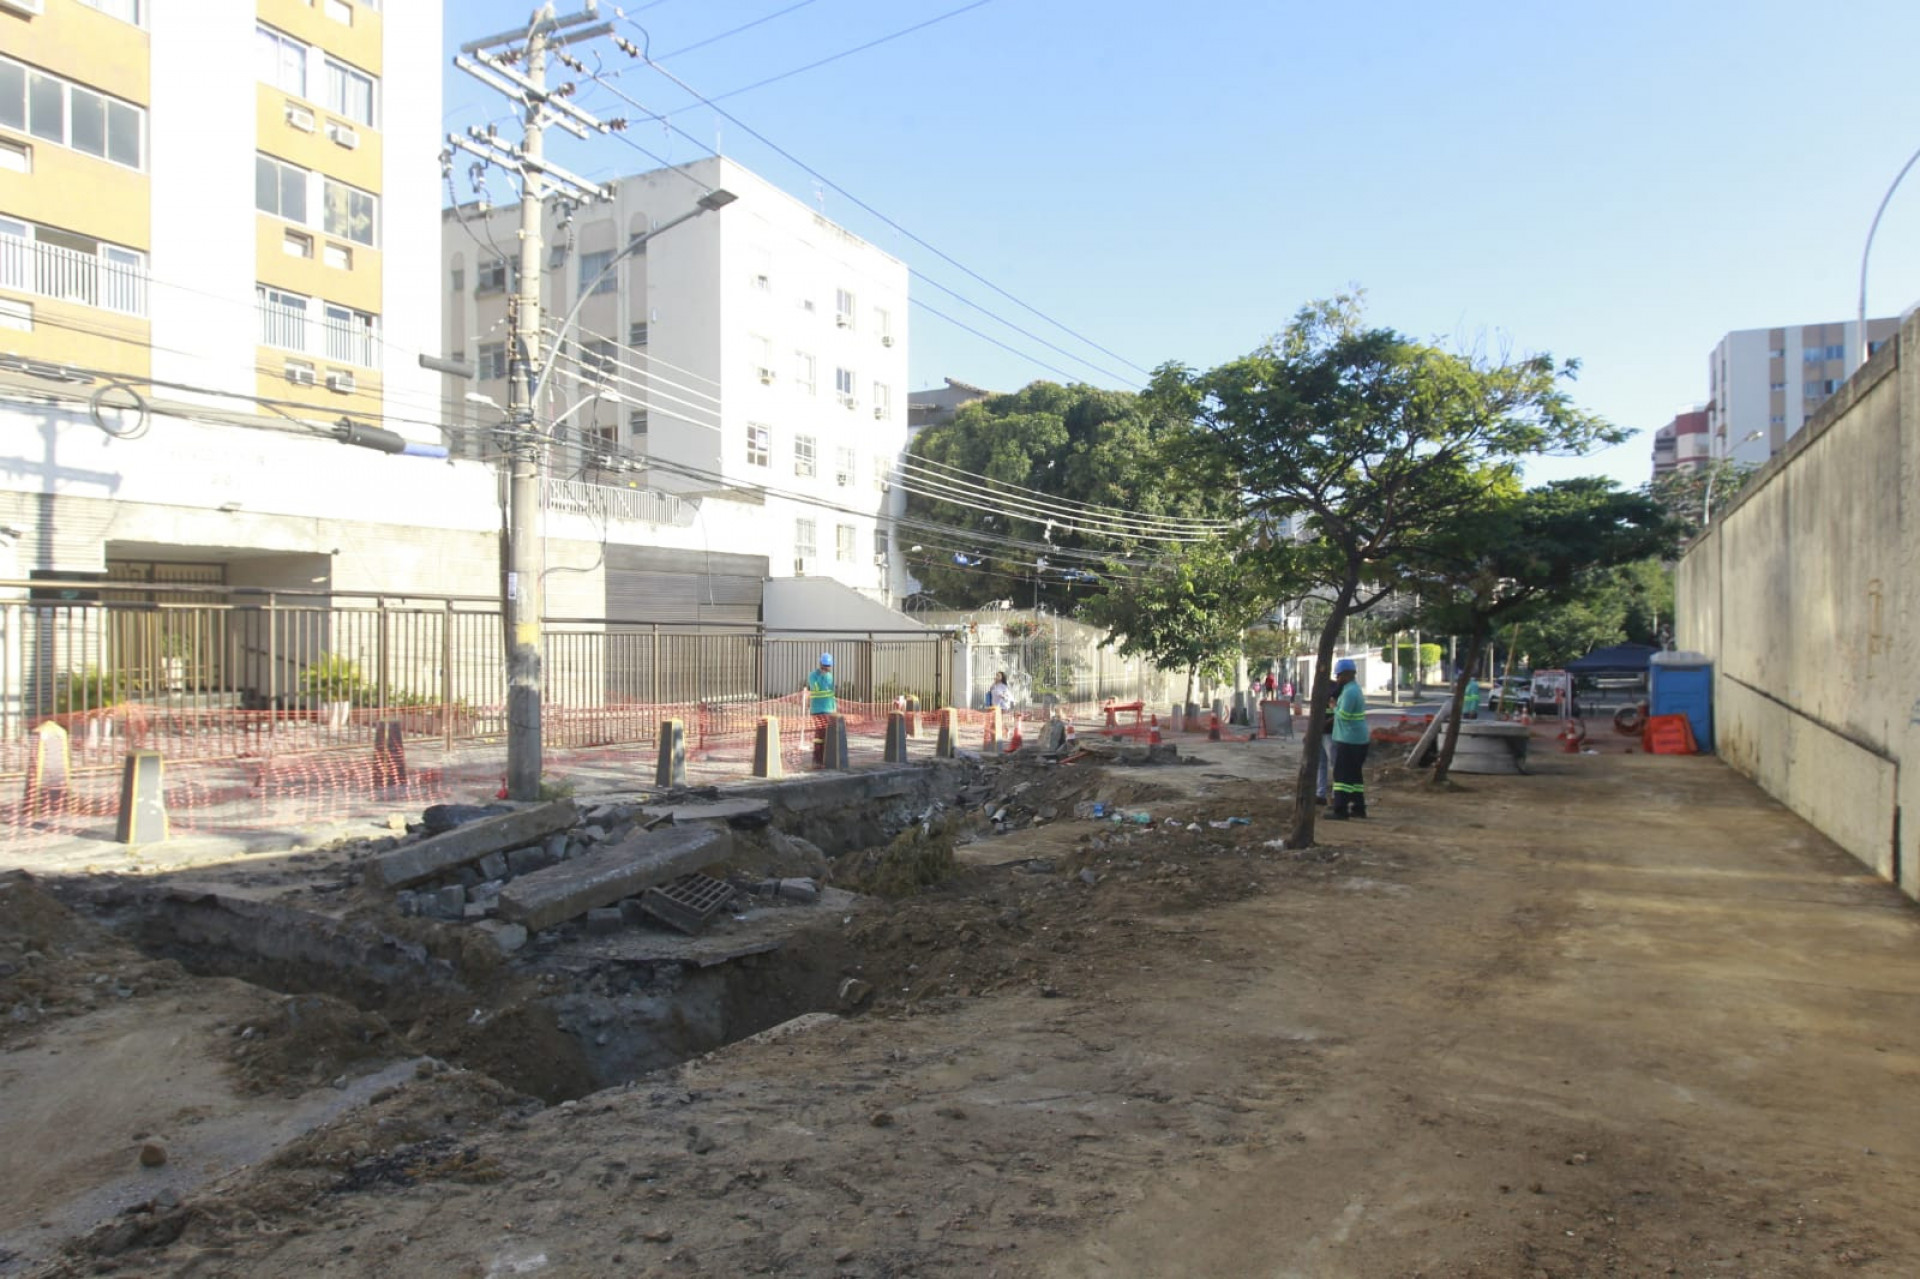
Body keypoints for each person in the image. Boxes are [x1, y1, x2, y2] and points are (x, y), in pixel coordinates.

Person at [1327, 657, 1370, 819]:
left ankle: (1341, 810)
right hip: (1356, 740)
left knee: (1342, 777)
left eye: (1338, 676)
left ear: (1346, 674)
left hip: (1349, 740)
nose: (1337, 679)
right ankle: (1359, 807)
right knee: (1355, 777)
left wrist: (1334, 707)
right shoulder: (1352, 689)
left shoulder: (1350, 692)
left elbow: (1344, 715)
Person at [804, 653, 836, 764]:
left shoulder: (830, 676)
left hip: (828, 709)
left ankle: (824, 757)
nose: (828, 668)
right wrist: (821, 675)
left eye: (829, 666)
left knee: (826, 733)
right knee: (820, 734)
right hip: (817, 709)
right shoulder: (813, 675)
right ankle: (817, 758)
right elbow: (816, 688)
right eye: (826, 666)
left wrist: (834, 708)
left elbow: (830, 692)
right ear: (821, 664)